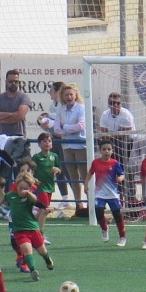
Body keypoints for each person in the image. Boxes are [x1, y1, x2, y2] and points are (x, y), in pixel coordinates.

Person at [46, 83, 88, 215]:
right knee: (72, 177)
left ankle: (91, 205)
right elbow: (56, 128)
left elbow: (81, 126)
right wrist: (67, 129)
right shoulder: (61, 109)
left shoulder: (81, 108)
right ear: (62, 96)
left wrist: (65, 128)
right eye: (66, 95)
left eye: (71, 94)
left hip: (80, 144)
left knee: (85, 176)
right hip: (67, 145)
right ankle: (78, 205)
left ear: (75, 95)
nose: (69, 97)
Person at [7, 166, 56, 280]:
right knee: (27, 249)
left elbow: (36, 201)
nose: (22, 190)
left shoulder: (30, 195)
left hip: (33, 229)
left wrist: (45, 207)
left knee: (42, 251)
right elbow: (5, 197)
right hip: (19, 230)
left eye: (25, 188)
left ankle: (47, 259)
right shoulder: (12, 193)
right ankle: (33, 270)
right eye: (20, 188)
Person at [37, 81, 76, 214]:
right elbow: (52, 124)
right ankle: (65, 199)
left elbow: (61, 121)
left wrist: (50, 119)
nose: (50, 93)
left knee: (68, 170)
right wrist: (44, 123)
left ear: (58, 92)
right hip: (54, 139)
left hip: (64, 140)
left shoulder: (63, 106)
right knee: (57, 169)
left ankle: (78, 200)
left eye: (52, 90)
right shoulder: (52, 105)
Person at [89, 139, 128, 247]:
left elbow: (122, 174)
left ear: (112, 151)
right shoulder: (95, 162)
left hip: (112, 194)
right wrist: (86, 183)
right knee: (98, 211)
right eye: (104, 149)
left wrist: (120, 178)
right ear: (100, 150)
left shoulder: (115, 163)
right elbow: (90, 173)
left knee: (117, 215)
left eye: (109, 149)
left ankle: (122, 237)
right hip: (100, 193)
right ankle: (104, 228)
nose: (106, 151)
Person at [30, 131, 63, 229]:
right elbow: (30, 170)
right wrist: (33, 179)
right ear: (39, 144)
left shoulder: (54, 156)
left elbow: (59, 169)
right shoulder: (37, 157)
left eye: (49, 141)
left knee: (41, 210)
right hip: (41, 187)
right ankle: (40, 233)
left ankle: (31, 228)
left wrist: (57, 170)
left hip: (50, 186)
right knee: (45, 209)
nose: (47, 143)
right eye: (44, 141)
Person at [0, 69, 33, 138]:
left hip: (19, 136)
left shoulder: (24, 97)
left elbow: (20, 116)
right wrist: (11, 114)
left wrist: (2, 119)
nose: (13, 83)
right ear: (6, 82)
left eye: (16, 81)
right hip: (3, 137)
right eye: (11, 81)